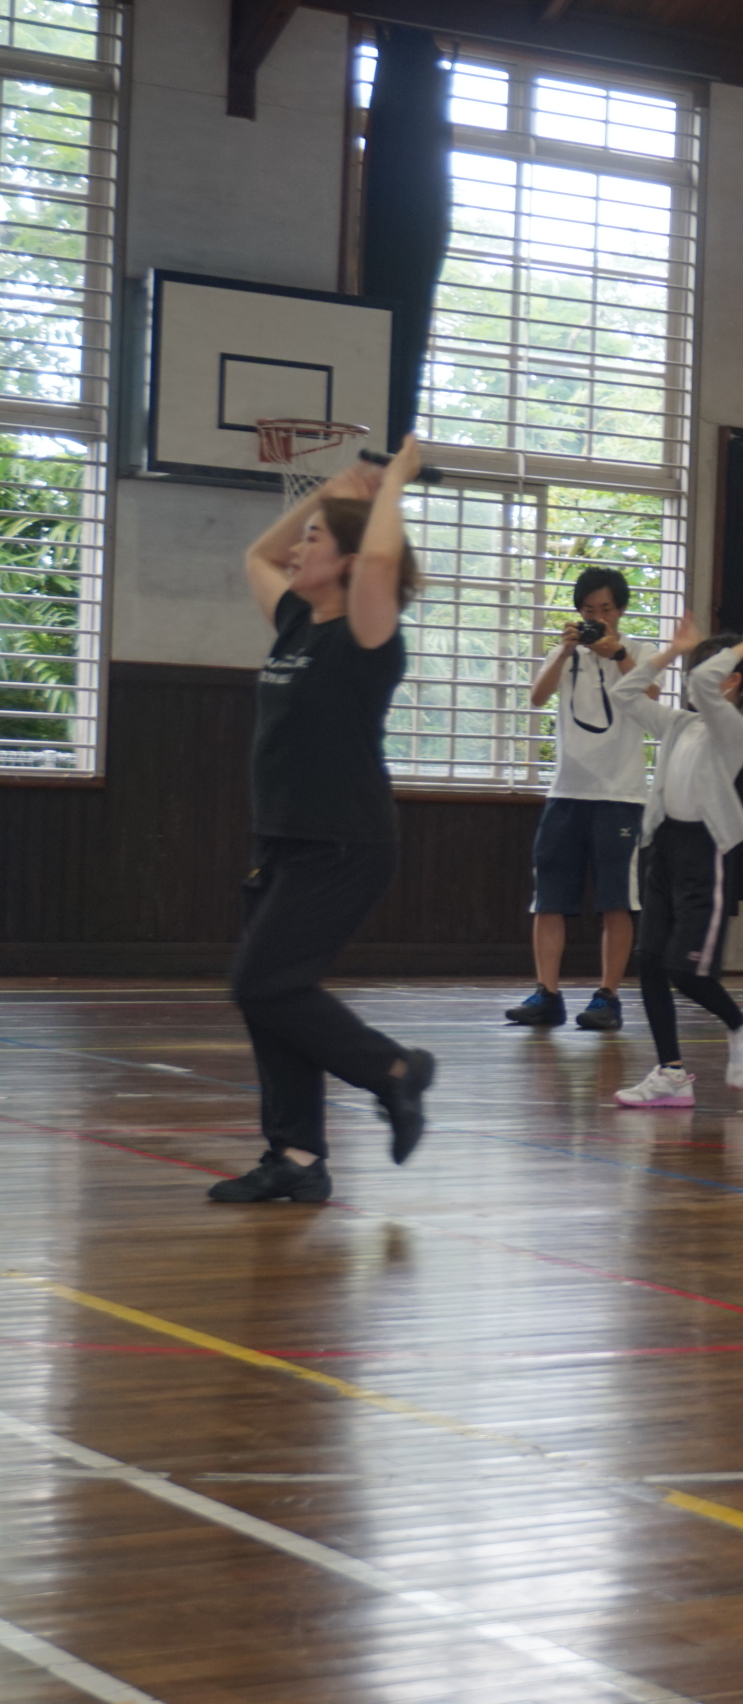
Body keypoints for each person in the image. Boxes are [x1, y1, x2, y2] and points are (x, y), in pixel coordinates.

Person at [210, 438, 435, 1204]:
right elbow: (258, 555)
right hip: (281, 840)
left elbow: (380, 562)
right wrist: (329, 494)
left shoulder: (366, 635)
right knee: (277, 997)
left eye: (315, 540)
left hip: (344, 843)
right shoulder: (295, 623)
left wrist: (391, 486)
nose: (298, 549)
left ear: (345, 563)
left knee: (262, 984)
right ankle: (297, 1158)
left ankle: (394, 1070)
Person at [608, 622, 743, 1108]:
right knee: (648, 962)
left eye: (706, 669)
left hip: (705, 853)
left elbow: (703, 684)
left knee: (685, 971)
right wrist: (668, 653)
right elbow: (624, 694)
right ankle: (671, 1073)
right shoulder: (681, 724)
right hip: (665, 846)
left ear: (733, 680)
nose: (693, 679)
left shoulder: (735, 732)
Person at [508, 567, 646, 1032]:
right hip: (566, 791)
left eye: (605, 610)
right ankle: (546, 993)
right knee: (549, 898)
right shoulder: (566, 654)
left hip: (620, 793)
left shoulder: (639, 651)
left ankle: (608, 996)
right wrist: (567, 649)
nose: (597, 618)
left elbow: (651, 697)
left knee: (616, 900)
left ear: (620, 610)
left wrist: (618, 654)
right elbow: (536, 697)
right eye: (588, 611)